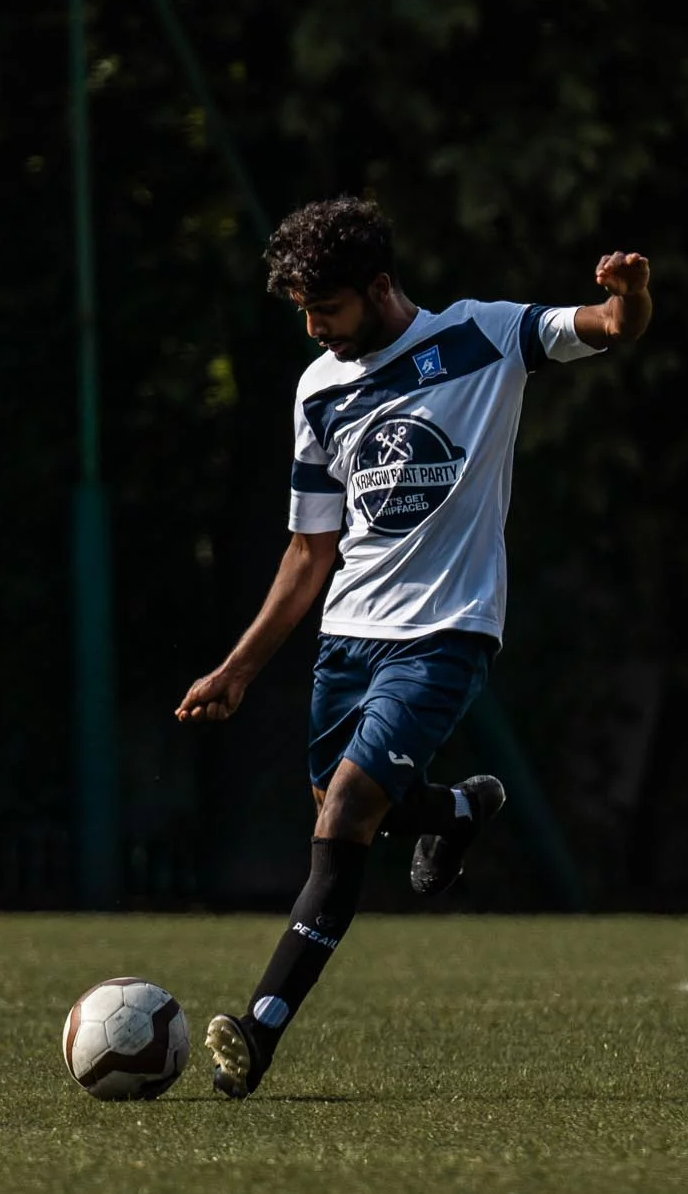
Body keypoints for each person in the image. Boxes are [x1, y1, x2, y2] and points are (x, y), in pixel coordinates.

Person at [174, 196, 651, 1099]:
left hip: (446, 631)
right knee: (346, 808)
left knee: (347, 809)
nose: (316, 328)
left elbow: (609, 327)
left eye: (329, 309)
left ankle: (260, 1027)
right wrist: (238, 667)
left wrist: (628, 296)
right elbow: (311, 549)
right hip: (346, 640)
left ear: (381, 287)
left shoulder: (485, 337)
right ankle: (455, 814)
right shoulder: (318, 389)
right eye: (305, 313)